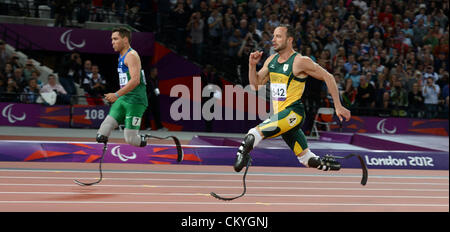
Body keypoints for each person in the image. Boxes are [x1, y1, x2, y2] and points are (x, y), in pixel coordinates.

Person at [233, 24, 351, 173]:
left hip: (293, 113)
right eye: (273, 36)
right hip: (281, 118)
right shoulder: (271, 61)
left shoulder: (300, 61)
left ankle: (241, 156)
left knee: (253, 134)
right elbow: (255, 86)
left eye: (278, 36)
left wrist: (338, 106)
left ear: (289, 40)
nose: (273, 40)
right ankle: (327, 164)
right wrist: (251, 66)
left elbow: (329, 77)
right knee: (306, 159)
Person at [95, 27, 149, 147]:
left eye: (115, 39)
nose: (112, 42)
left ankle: (145, 140)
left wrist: (116, 94)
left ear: (125, 40)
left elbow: (135, 81)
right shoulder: (121, 55)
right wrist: (120, 96)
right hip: (124, 98)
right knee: (102, 134)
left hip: (136, 101)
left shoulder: (132, 55)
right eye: (112, 39)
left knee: (131, 139)